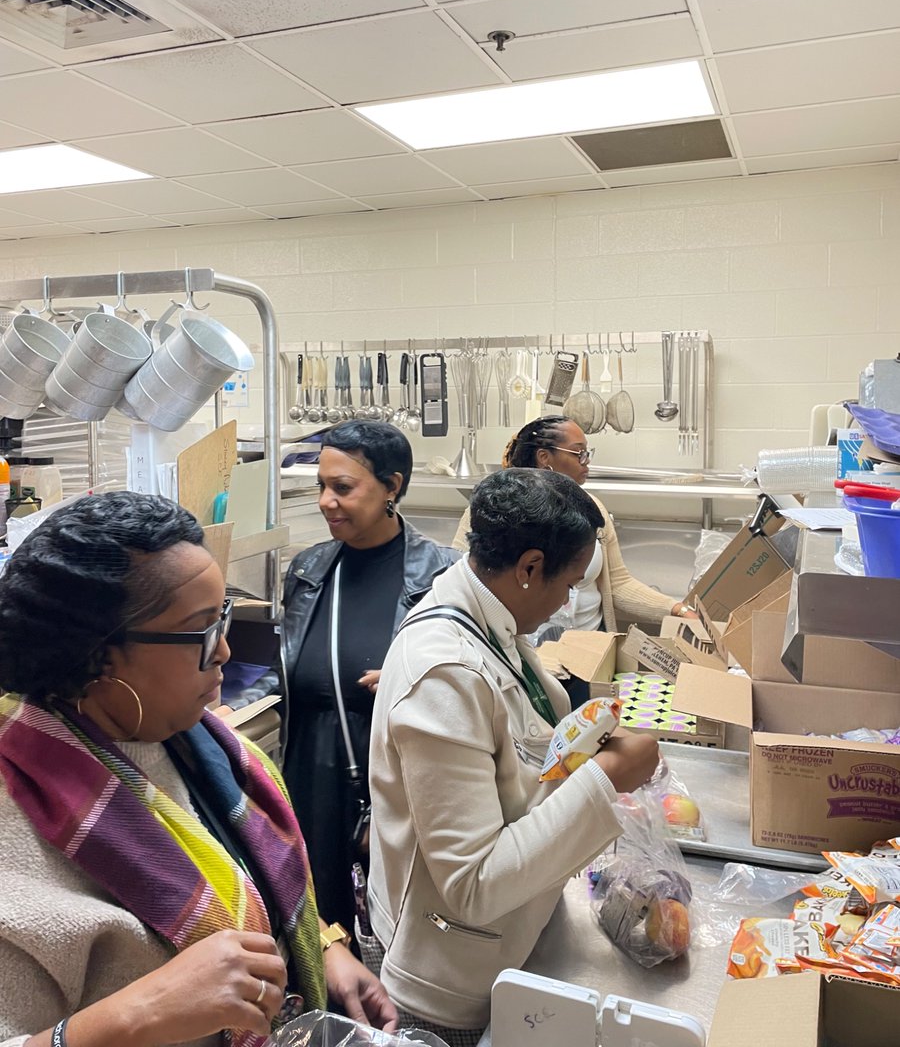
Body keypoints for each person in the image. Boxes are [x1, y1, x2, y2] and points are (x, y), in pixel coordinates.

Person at [0, 491, 397, 1047]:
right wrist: (134, 1014)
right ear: (100, 655)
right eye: (204, 630)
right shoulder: (18, 831)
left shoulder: (205, 748)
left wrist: (324, 947)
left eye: (225, 618)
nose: (227, 653)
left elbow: (252, 883)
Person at [367, 469, 660, 1041]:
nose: (569, 602)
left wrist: (577, 740)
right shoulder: (445, 671)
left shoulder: (489, 619)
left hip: (511, 941)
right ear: (528, 568)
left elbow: (510, 752)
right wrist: (605, 778)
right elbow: (472, 885)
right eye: (570, 585)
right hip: (446, 985)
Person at [271, 422, 458, 943]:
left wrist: (411, 676)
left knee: (406, 926)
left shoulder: (442, 577)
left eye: (343, 488)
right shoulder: (309, 569)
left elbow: (471, 682)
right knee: (319, 928)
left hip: (394, 782)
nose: (326, 502)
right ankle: (325, 1023)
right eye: (321, 486)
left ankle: (402, 1021)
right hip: (308, 776)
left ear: (392, 486)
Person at [452, 415, 694, 636]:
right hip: (523, 653)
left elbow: (618, 584)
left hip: (587, 655)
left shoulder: (592, 510)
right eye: (578, 453)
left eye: (587, 453)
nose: (586, 461)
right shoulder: (493, 508)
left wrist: (675, 609)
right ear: (545, 458)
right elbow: (461, 579)